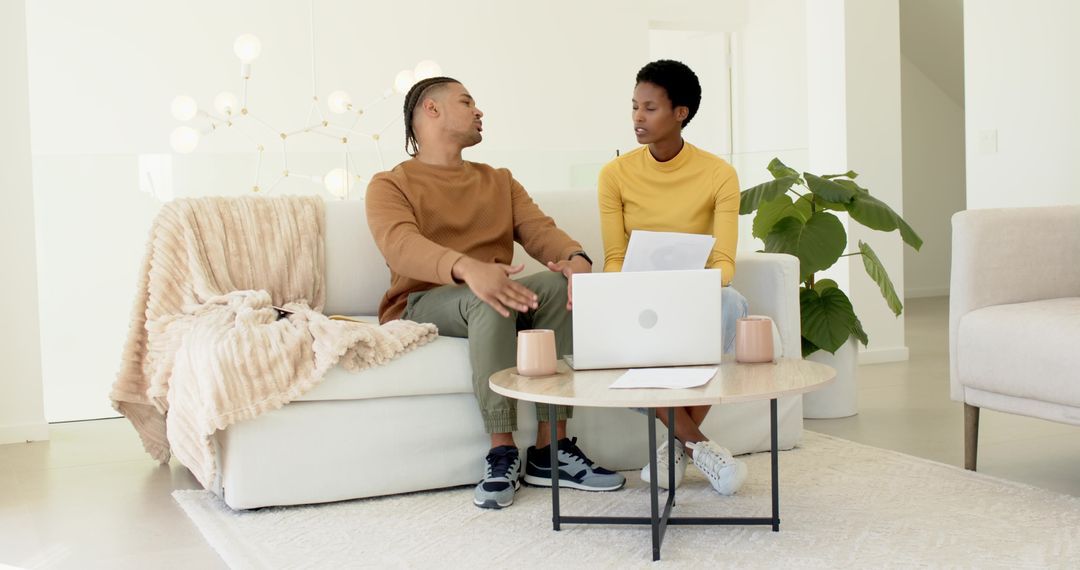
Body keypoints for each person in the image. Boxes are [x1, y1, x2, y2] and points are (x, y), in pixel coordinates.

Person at [366, 76, 625, 510]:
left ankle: (550, 451)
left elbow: (540, 230)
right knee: (490, 297)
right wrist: (469, 269)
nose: (479, 111)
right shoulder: (390, 184)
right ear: (431, 110)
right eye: (467, 102)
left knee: (558, 284)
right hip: (426, 299)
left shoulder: (499, 180)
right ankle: (501, 448)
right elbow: (400, 246)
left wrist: (575, 257)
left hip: (493, 288)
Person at [597, 60, 749, 496]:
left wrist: (688, 288)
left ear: (680, 112)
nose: (637, 119)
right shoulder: (615, 175)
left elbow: (724, 261)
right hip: (636, 292)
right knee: (616, 323)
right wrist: (629, 289)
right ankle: (697, 444)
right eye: (634, 108)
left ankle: (673, 447)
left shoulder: (719, 174)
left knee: (732, 304)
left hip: (696, 293)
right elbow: (614, 258)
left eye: (650, 108)